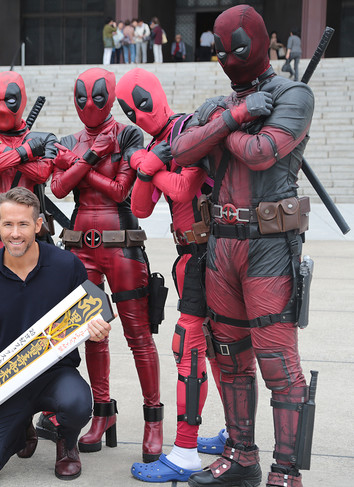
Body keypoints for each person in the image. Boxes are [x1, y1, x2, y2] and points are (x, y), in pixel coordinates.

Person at [171, 6, 315, 487]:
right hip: (222, 244)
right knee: (230, 358)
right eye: (221, 50)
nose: (229, 59)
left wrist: (220, 128)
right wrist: (235, 116)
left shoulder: (293, 94)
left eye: (237, 47)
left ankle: (285, 471)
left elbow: (261, 152)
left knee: (277, 362)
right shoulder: (223, 105)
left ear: (259, 41)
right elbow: (180, 150)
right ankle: (241, 458)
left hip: (269, 247)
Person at [0, 187, 112, 485]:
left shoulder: (67, 265)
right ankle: (21, 430)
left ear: (38, 225)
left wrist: (97, 331)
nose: (15, 233)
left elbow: (93, 317)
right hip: (8, 379)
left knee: (78, 403)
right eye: (8, 224)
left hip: (57, 374)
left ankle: (67, 443)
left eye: (23, 224)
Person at [50, 67, 164, 462]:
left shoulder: (127, 134)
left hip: (122, 246)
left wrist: (77, 163)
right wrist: (92, 156)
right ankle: (102, 413)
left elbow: (120, 191)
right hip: (81, 248)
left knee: (138, 335)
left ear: (111, 97)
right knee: (92, 334)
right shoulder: (71, 140)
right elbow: (58, 188)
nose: (89, 105)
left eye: (98, 97)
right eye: (82, 97)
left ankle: (153, 421)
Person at [117, 67, 224, 483]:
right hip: (191, 256)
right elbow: (141, 208)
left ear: (157, 93)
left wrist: (149, 167)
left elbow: (182, 189)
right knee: (213, 348)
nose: (140, 115)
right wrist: (148, 166)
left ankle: (185, 452)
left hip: (209, 252)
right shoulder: (158, 144)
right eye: (131, 111)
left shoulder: (190, 131)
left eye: (142, 103)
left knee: (194, 347)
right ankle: (235, 435)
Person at [0, 70, 58, 369]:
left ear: (23, 99)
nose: (2, 108)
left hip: (35, 241)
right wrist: (24, 152)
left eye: (10, 100)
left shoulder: (46, 139)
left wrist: (3, 152)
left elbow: (42, 173)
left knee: (41, 324)